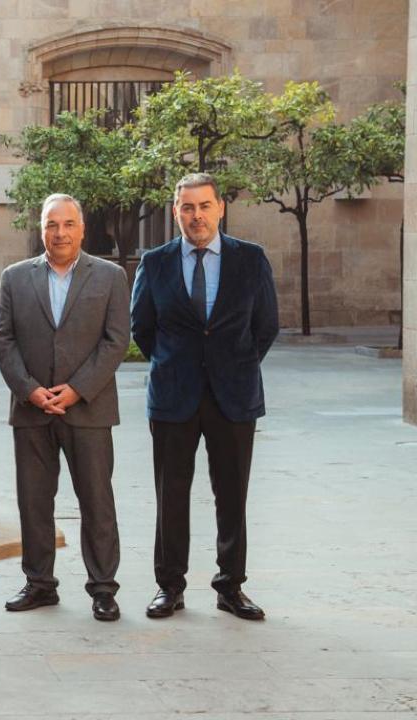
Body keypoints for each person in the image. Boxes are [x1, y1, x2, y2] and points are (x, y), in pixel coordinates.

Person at [131, 172, 279, 621]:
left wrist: (234, 365)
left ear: (221, 208)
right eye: (187, 208)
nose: (196, 216)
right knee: (170, 494)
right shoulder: (154, 262)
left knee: (232, 495)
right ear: (175, 212)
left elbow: (266, 325)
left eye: (204, 206)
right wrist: (175, 364)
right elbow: (143, 327)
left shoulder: (250, 259)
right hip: (174, 396)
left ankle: (230, 586)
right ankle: (169, 587)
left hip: (233, 395)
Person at [0, 193, 129, 622]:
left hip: (88, 409)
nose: (60, 232)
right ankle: (39, 584)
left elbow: (116, 341)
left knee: (96, 501)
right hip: (32, 410)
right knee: (34, 502)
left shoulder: (110, 276)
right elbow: (3, 339)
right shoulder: (14, 278)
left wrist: (77, 388)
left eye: (68, 224)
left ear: (82, 228)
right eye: (52, 224)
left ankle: (103, 588)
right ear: (41, 229)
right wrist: (30, 390)